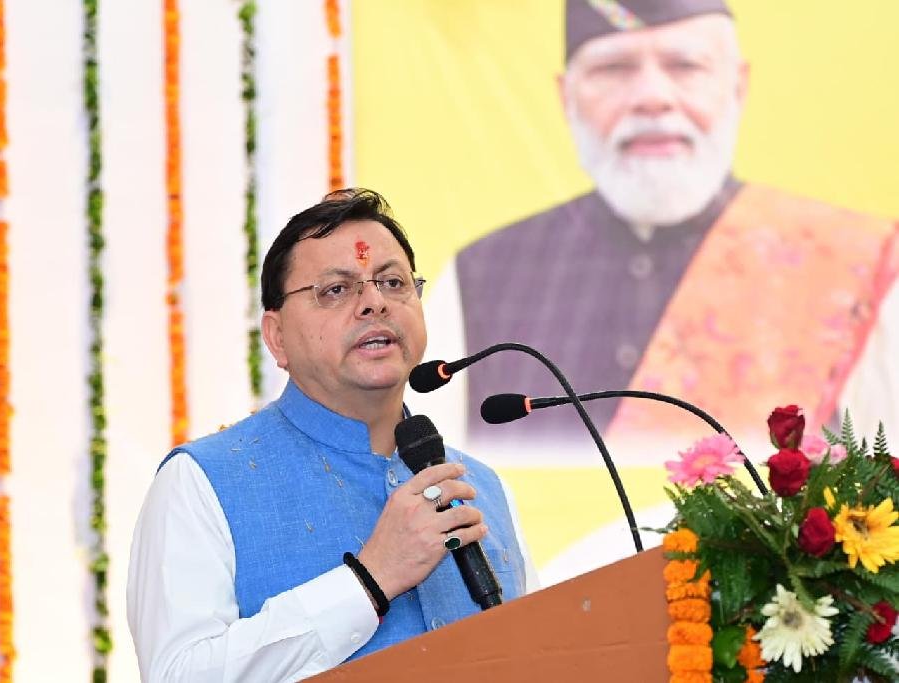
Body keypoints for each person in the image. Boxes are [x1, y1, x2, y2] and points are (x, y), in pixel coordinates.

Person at [425, 0, 899, 455]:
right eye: (614, 69)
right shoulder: (480, 277)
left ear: (738, 87)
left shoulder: (855, 266)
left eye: (686, 66)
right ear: (565, 97)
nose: (652, 98)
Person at [127, 189, 536, 681]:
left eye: (393, 282)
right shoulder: (200, 484)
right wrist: (369, 580)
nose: (375, 303)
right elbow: (178, 674)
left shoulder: (482, 488)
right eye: (336, 290)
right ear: (277, 337)